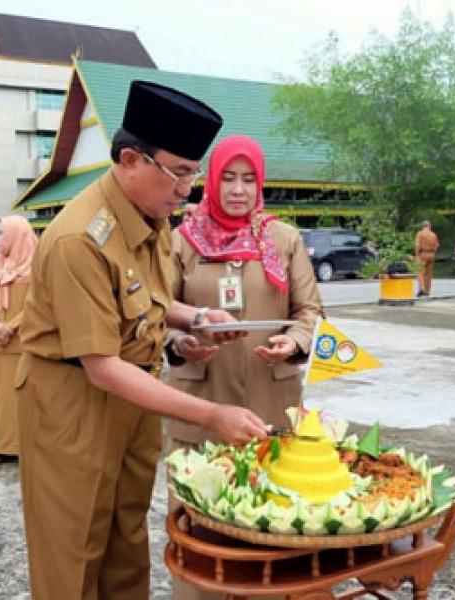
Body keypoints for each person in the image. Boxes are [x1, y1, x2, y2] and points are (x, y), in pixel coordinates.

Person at [15, 80, 269, 600]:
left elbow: (145, 299)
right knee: (74, 550)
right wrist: (209, 415)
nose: (187, 188)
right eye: (178, 172)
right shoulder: (78, 238)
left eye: (193, 174)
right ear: (131, 159)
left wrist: (196, 318)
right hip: (74, 409)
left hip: (132, 405)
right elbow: (101, 365)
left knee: (127, 538)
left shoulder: (151, 218)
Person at [164, 134, 323, 600]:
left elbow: (310, 310)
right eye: (228, 178)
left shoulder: (283, 239)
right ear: (211, 181)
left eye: (248, 179)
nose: (238, 189)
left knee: (274, 527)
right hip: (200, 403)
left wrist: (293, 342)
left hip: (271, 404)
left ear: (260, 183)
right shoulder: (181, 240)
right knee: (199, 529)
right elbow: (155, 310)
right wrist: (182, 342)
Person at [0, 215, 38, 464]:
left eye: (2, 233)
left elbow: (39, 304)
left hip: (24, 346)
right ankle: (2, 446)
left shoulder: (37, 267)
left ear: (17, 235)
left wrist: (10, 327)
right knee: (0, 400)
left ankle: (25, 447)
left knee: (26, 399)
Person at [415, 220, 439, 297]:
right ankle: (427, 290)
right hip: (431, 254)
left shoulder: (420, 234)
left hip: (423, 254)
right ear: (429, 226)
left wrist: (417, 255)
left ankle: (422, 289)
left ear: (423, 226)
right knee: (428, 274)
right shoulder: (433, 234)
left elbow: (417, 246)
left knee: (420, 271)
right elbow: (436, 246)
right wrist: (433, 254)